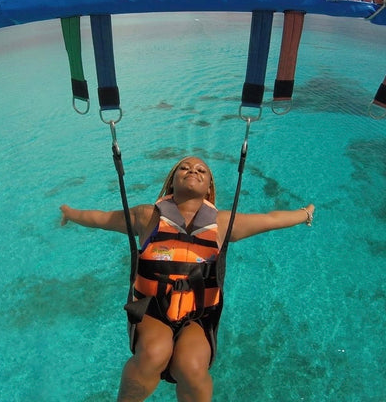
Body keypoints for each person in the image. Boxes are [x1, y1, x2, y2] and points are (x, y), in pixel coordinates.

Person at [60, 156, 314, 402]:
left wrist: (305, 214)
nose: (193, 170)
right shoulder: (148, 216)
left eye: (201, 170)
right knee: (154, 353)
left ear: (209, 187)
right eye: (185, 168)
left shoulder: (222, 223)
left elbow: (270, 220)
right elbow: (102, 218)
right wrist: (71, 213)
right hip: (152, 310)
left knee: (191, 366)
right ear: (172, 181)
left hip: (198, 316)